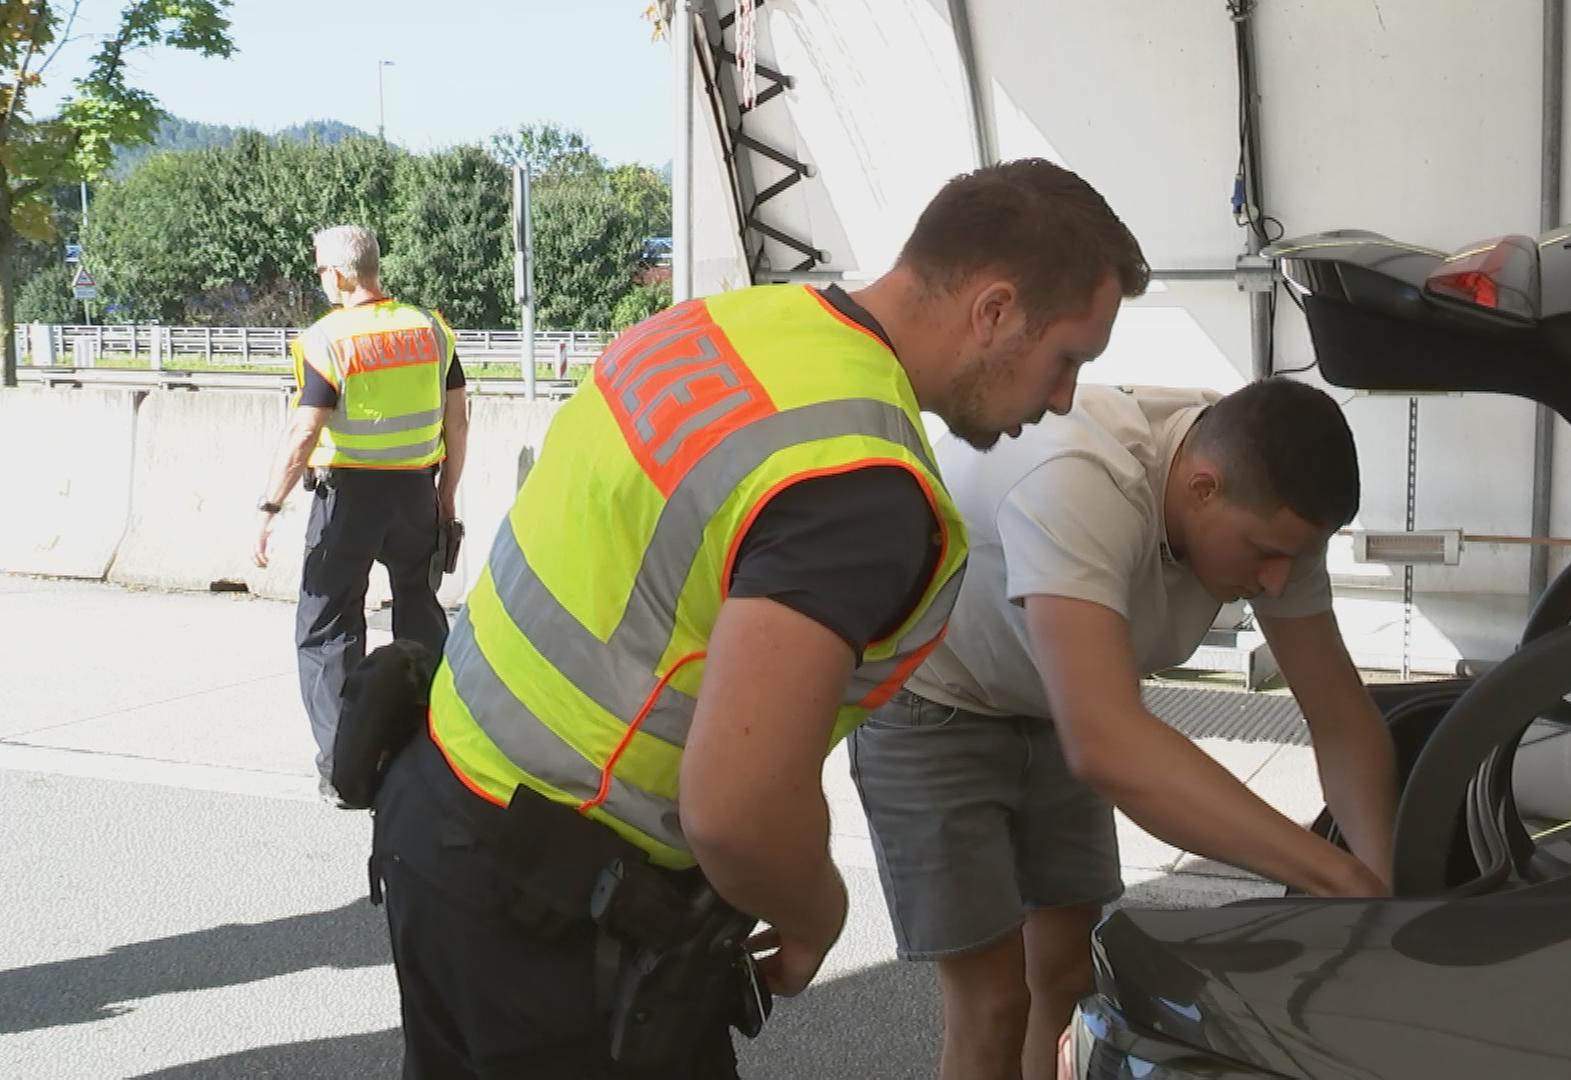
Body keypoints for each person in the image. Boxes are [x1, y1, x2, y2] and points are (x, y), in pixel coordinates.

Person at [366, 159, 1150, 1078]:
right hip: (557, 913)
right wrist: (818, 916)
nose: (1063, 399)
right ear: (994, 311)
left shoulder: (729, 325)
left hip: (439, 807)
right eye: (1069, 359)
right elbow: (737, 810)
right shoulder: (859, 478)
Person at [848, 378, 1399, 1080]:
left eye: (1292, 556)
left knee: (1068, 973)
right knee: (991, 1003)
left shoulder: (1272, 511)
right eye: (1264, 552)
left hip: (1058, 701)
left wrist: (1379, 889)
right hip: (933, 701)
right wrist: (1332, 874)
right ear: (1202, 489)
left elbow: (1340, 716)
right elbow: (1109, 742)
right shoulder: (1082, 475)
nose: (1275, 579)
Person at [252, 224, 468, 803]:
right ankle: (438, 755)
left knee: (326, 627)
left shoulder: (327, 340)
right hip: (416, 494)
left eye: (322, 269)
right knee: (422, 620)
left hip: (347, 498)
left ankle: (345, 771)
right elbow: (458, 422)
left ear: (342, 275)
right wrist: (445, 499)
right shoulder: (431, 329)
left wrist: (271, 503)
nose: (320, 277)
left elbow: (305, 429)